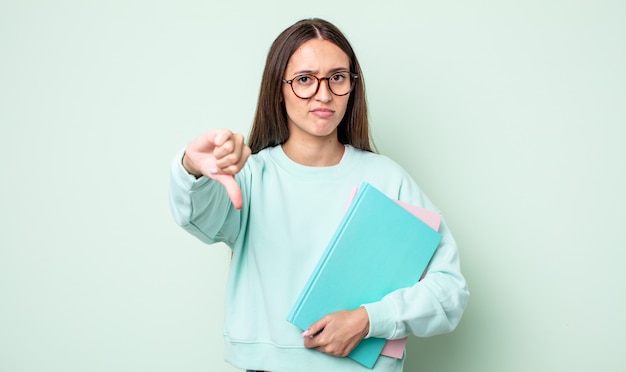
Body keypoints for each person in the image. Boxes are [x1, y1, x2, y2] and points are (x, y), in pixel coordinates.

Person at [169, 18, 469, 372]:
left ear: (352, 87)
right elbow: (198, 217)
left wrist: (370, 319)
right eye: (305, 80)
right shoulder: (250, 175)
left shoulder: (387, 179)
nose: (323, 95)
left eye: (337, 78)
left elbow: (450, 291)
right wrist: (191, 167)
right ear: (277, 87)